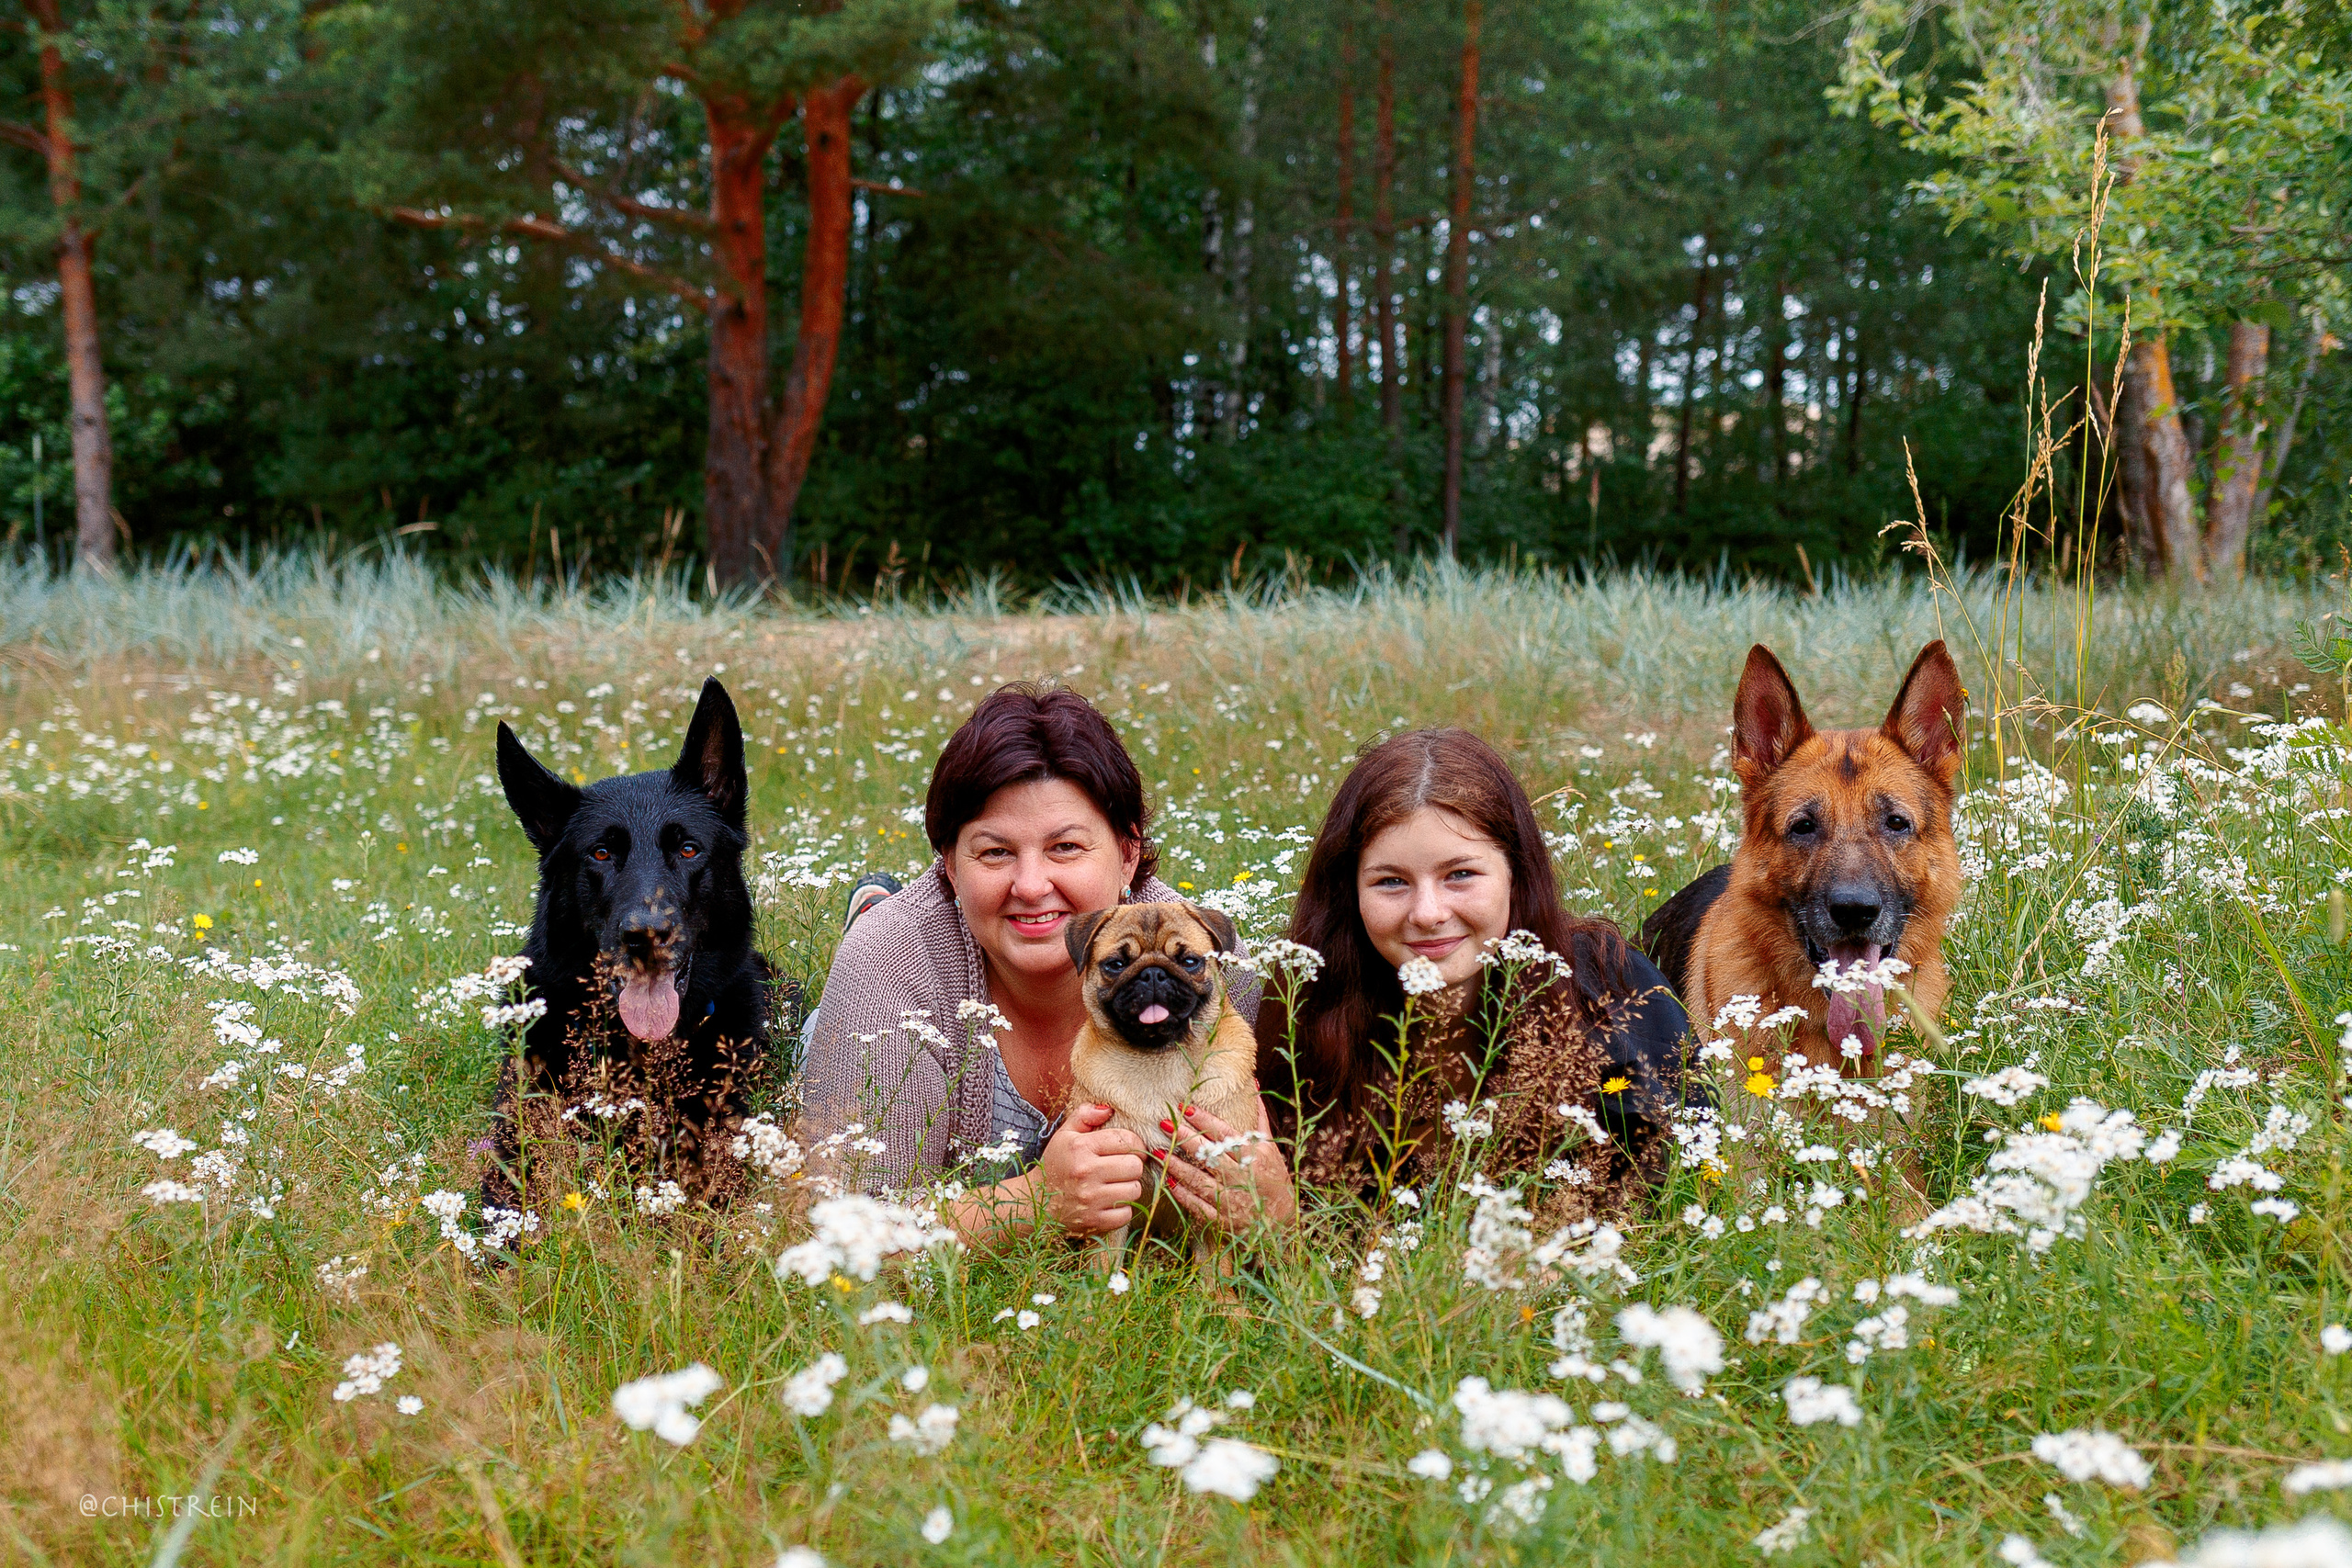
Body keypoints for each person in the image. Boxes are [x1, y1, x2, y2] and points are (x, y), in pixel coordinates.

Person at [797, 682, 1296, 1247]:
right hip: (866, 1010)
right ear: (951, 867)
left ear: (1128, 853)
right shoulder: (890, 968)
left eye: (1066, 847)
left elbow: (1296, 1183)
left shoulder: (1208, 965)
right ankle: (870, 914)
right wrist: (1035, 1201)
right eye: (995, 852)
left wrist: (1276, 1210)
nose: (1032, 886)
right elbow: (844, 1232)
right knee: (831, 1030)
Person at [1256, 728, 1694, 1220]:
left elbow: (1683, 1199)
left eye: (1460, 874)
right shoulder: (1303, 1013)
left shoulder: (1612, 993)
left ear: (1515, 873)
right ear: (1349, 892)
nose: (1428, 913)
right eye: (1391, 882)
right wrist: (1277, 1213)